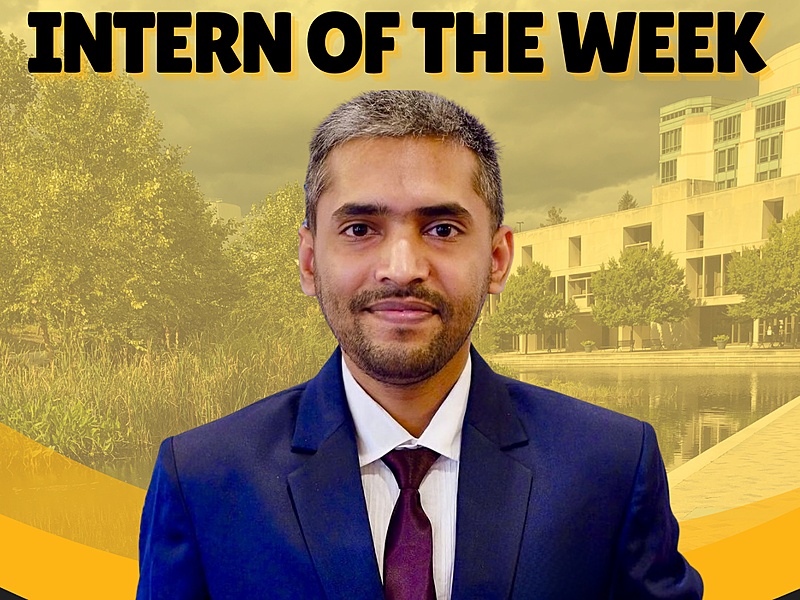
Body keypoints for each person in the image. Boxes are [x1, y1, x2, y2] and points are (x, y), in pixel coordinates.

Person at [137, 90, 703, 599]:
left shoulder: (610, 465)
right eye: (360, 229)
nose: (402, 267)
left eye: (442, 229)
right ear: (310, 262)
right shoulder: (203, 478)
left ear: (497, 259)